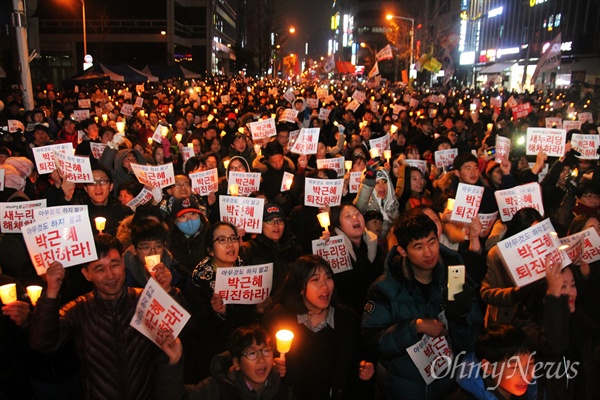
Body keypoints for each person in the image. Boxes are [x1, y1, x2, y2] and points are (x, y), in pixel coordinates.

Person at [29, 234, 185, 399]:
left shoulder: (143, 300)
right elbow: (42, 343)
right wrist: (51, 291)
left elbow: (185, 331)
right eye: (100, 269)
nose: (110, 275)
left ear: (123, 264)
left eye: (115, 264)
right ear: (86, 274)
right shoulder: (78, 309)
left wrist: (168, 292)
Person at [362, 212, 482, 399]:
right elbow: (372, 341)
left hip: (447, 385)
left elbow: (470, 343)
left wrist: (458, 317)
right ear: (402, 251)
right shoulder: (385, 288)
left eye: (432, 242)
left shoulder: (456, 278)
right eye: (418, 247)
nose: (428, 252)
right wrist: (414, 327)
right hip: (402, 389)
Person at [265, 255, 374, 400]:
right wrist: (272, 368)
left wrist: (365, 372)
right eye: (315, 280)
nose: (325, 286)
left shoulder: (346, 318)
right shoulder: (279, 318)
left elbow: (358, 362)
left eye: (328, 278)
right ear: (300, 288)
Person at [185, 222, 260, 382]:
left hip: (246, 351)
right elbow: (198, 328)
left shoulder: (247, 270)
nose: (230, 244)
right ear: (210, 250)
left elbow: (249, 318)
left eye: (233, 238)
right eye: (222, 240)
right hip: (213, 357)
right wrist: (218, 315)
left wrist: (259, 309)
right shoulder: (200, 279)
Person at [157, 323, 293, 400]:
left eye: (266, 351)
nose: (261, 359)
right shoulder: (217, 388)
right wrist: (173, 363)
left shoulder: (280, 388)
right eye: (252, 353)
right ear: (236, 363)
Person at [480, 208, 544, 326]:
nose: (532, 238)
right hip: (507, 321)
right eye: (527, 234)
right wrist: (513, 294)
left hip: (537, 319)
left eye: (537, 232)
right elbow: (486, 293)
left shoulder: (546, 251)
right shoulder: (497, 254)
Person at [452, 323, 539, 400]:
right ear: (488, 367)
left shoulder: (534, 390)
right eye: (515, 367)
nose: (526, 375)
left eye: (530, 363)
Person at [241, 203, 303, 294]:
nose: (276, 225)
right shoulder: (249, 249)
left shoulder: (295, 250)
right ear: (260, 225)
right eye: (270, 221)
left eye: (280, 220)